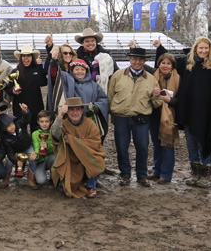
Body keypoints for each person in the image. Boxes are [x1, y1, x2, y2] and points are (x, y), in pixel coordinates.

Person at [155, 36, 211, 188]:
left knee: (204, 143)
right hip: (189, 112)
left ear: (210, 50)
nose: (203, 51)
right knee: (191, 144)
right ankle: (195, 173)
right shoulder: (187, 65)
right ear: (195, 49)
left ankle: (206, 175)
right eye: (200, 48)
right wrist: (159, 47)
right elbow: (168, 61)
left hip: (207, 113)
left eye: (206, 48)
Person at [108, 47, 162, 187]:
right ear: (129, 59)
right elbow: (110, 95)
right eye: (134, 59)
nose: (137, 61)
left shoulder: (151, 79)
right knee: (121, 147)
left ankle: (142, 175)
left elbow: (157, 103)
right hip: (121, 117)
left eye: (140, 59)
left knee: (143, 147)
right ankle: (125, 175)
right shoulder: (117, 75)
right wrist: (111, 114)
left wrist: (157, 97)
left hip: (141, 118)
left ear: (144, 61)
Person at [51, 98, 106, 198]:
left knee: (98, 158)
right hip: (70, 157)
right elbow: (55, 135)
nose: (74, 113)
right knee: (70, 186)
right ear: (67, 111)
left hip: (87, 154)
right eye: (71, 110)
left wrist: (73, 140)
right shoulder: (64, 123)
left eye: (77, 109)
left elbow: (95, 143)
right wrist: (60, 115)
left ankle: (91, 186)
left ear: (81, 110)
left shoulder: (90, 124)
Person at [55, 59, 109, 140]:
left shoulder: (94, 85)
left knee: (90, 141)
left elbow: (103, 99)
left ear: (86, 71)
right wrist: (54, 59)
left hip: (89, 119)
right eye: (77, 69)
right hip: (72, 118)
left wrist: (96, 107)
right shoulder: (67, 82)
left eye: (82, 69)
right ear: (72, 70)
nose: (80, 72)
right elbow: (55, 73)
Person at [147, 53, 180, 184]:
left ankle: (166, 174)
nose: (165, 66)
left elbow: (181, 99)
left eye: (168, 63)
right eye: (163, 63)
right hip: (154, 114)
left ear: (172, 66)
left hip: (170, 115)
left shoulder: (178, 78)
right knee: (156, 144)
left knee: (167, 144)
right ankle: (156, 170)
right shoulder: (152, 77)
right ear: (158, 64)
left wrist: (170, 100)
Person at [9, 45, 48, 131]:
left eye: (28, 55)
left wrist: (40, 67)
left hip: (36, 108)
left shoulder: (37, 69)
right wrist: (13, 91)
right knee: (21, 135)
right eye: (24, 56)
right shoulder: (15, 72)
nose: (26, 58)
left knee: (36, 133)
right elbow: (9, 88)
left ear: (32, 57)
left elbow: (43, 83)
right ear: (21, 57)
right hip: (19, 109)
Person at [0, 103, 34, 188]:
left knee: (33, 159)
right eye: (8, 127)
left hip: (27, 147)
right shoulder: (5, 139)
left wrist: (25, 112)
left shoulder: (19, 124)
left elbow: (26, 120)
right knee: (9, 162)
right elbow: (10, 153)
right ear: (4, 129)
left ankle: (30, 179)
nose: (12, 127)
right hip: (15, 152)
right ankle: (6, 179)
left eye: (11, 124)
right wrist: (16, 161)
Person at [29, 110, 55, 187]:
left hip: (51, 158)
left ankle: (53, 177)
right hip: (40, 161)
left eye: (47, 121)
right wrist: (36, 154)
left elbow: (55, 147)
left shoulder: (53, 132)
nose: (44, 124)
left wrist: (48, 146)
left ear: (51, 122)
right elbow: (36, 148)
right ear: (38, 122)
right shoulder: (35, 134)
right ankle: (36, 173)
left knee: (55, 158)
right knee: (41, 181)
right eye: (42, 121)